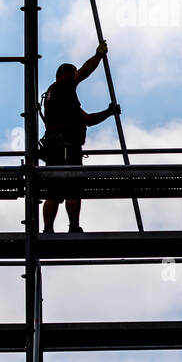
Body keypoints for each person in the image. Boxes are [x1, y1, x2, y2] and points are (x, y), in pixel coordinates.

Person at [39, 41, 119, 233]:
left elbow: (87, 120)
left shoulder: (56, 98)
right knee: (72, 187)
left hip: (53, 147)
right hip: (67, 146)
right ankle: (73, 227)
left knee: (53, 190)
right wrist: (98, 55)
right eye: (72, 76)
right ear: (65, 75)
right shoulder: (62, 86)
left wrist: (108, 112)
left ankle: (48, 229)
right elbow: (84, 71)